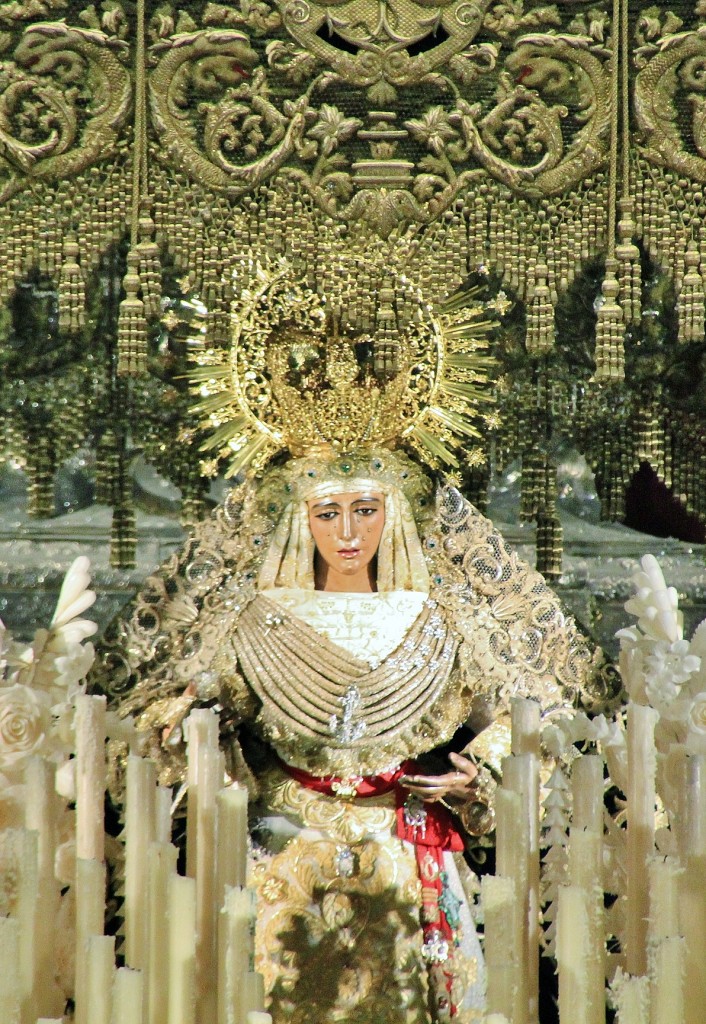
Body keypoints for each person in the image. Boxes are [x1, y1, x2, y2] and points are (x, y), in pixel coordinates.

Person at [95, 269, 606, 1023]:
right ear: (298, 518)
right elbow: (176, 707)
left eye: (365, 510)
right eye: (327, 512)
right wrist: (196, 724)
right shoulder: (251, 615)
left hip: (408, 854)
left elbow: (537, 710)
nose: (346, 533)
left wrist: (487, 766)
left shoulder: (441, 615)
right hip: (279, 854)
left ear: (393, 515)